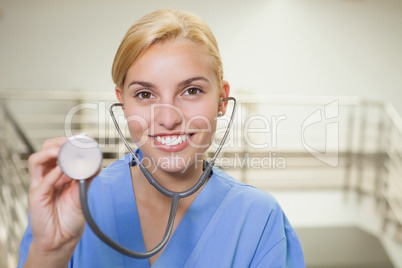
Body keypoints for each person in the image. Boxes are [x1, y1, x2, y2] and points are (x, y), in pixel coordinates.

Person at [18, 9, 305, 267]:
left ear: (222, 99)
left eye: (191, 91)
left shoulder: (259, 219)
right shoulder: (74, 204)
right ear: (123, 102)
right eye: (145, 95)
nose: (168, 119)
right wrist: (49, 252)